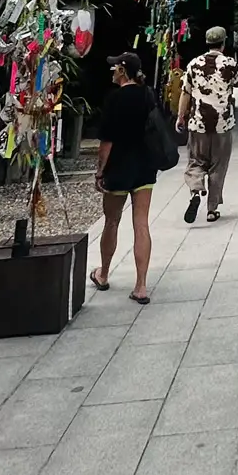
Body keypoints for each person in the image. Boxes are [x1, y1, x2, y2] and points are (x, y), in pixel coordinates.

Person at [92, 54, 163, 300]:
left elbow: (107, 141)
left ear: (122, 71)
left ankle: (103, 273)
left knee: (112, 221)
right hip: (145, 165)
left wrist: (100, 171)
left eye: (114, 67)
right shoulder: (148, 94)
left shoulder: (114, 99)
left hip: (119, 167)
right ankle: (141, 286)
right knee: (141, 223)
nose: (112, 71)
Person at [179, 25, 238, 223]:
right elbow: (237, 82)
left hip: (198, 122)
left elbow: (185, 91)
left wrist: (180, 116)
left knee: (196, 161)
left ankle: (196, 190)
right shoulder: (229, 63)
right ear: (223, 43)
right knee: (218, 165)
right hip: (223, 122)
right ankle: (212, 209)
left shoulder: (194, 64)